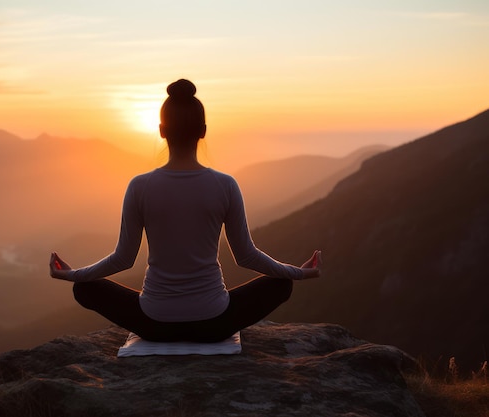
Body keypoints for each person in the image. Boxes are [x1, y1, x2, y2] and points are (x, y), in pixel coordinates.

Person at [49, 79, 321, 343]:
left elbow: (123, 259)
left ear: (161, 130)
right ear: (203, 130)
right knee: (281, 284)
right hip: (215, 322)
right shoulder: (225, 185)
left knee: (84, 288)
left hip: (154, 323)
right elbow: (246, 256)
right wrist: (297, 272)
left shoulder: (139, 187)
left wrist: (73, 274)